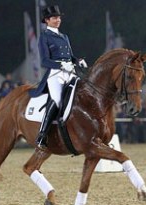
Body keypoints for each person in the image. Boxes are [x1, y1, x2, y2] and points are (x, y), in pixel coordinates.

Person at [29, 5, 87, 150]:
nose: (58, 20)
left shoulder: (64, 37)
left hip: (70, 72)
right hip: (55, 75)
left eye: (59, 17)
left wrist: (77, 60)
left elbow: (70, 56)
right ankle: (42, 135)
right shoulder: (45, 37)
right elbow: (44, 61)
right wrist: (61, 65)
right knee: (56, 99)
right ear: (47, 20)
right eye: (54, 18)